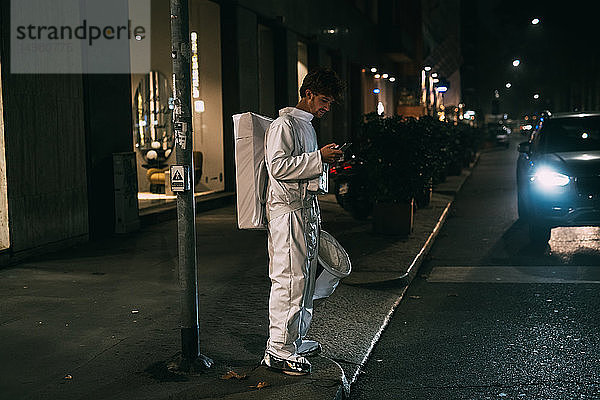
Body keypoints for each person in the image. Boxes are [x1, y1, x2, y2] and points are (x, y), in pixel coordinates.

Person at [261, 68, 345, 375]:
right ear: (307, 94)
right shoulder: (284, 124)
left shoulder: (305, 125)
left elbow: (300, 167)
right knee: (289, 278)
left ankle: (294, 339)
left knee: (305, 278)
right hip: (288, 212)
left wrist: (322, 159)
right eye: (323, 100)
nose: (326, 106)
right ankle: (279, 350)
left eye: (330, 102)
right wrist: (319, 158)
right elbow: (278, 167)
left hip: (304, 210)